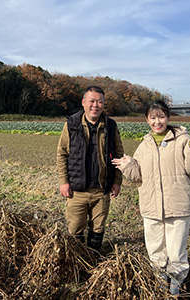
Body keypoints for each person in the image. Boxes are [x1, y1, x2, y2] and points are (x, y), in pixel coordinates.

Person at [112, 100, 190, 297]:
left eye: (161, 116)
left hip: (178, 204)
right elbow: (138, 177)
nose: (158, 121)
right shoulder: (144, 145)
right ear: (147, 120)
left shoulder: (183, 140)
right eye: (153, 117)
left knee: (176, 251)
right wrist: (128, 165)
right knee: (155, 249)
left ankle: (176, 284)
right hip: (151, 205)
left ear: (168, 117)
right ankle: (159, 281)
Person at [57, 86, 124, 252]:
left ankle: (93, 259)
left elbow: (118, 155)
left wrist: (117, 181)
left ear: (103, 104)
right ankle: (78, 261)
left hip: (101, 190)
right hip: (77, 190)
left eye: (100, 101)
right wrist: (64, 182)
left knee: (98, 229)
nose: (96, 105)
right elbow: (62, 154)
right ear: (83, 102)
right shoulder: (71, 125)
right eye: (92, 101)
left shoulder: (110, 126)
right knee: (75, 228)